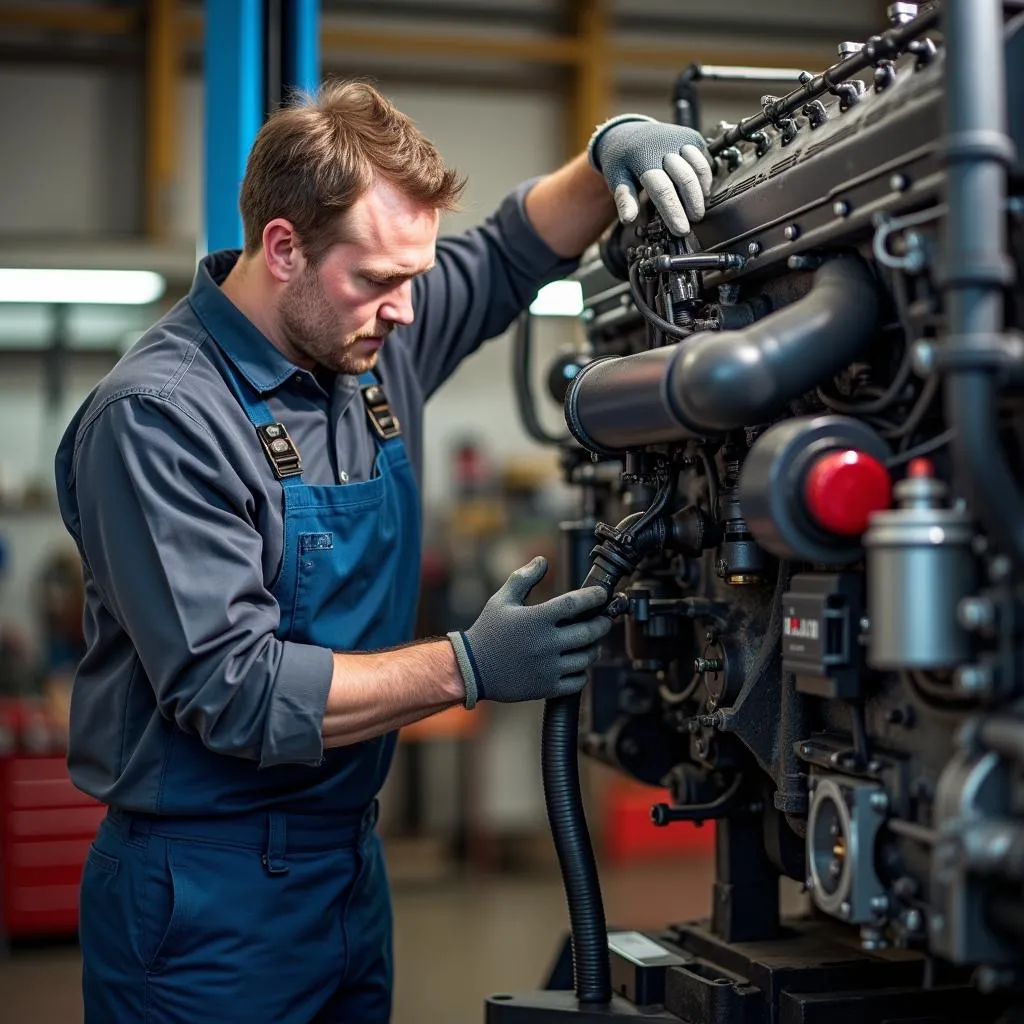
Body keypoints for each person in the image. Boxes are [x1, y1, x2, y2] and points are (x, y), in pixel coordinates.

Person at [54, 81, 712, 1023]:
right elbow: (231, 688)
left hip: (345, 866)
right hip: (205, 897)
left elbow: (512, 250)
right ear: (282, 248)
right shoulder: (160, 419)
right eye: (379, 281)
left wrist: (612, 148)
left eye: (415, 275)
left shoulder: (365, 338)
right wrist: (466, 667)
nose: (407, 310)